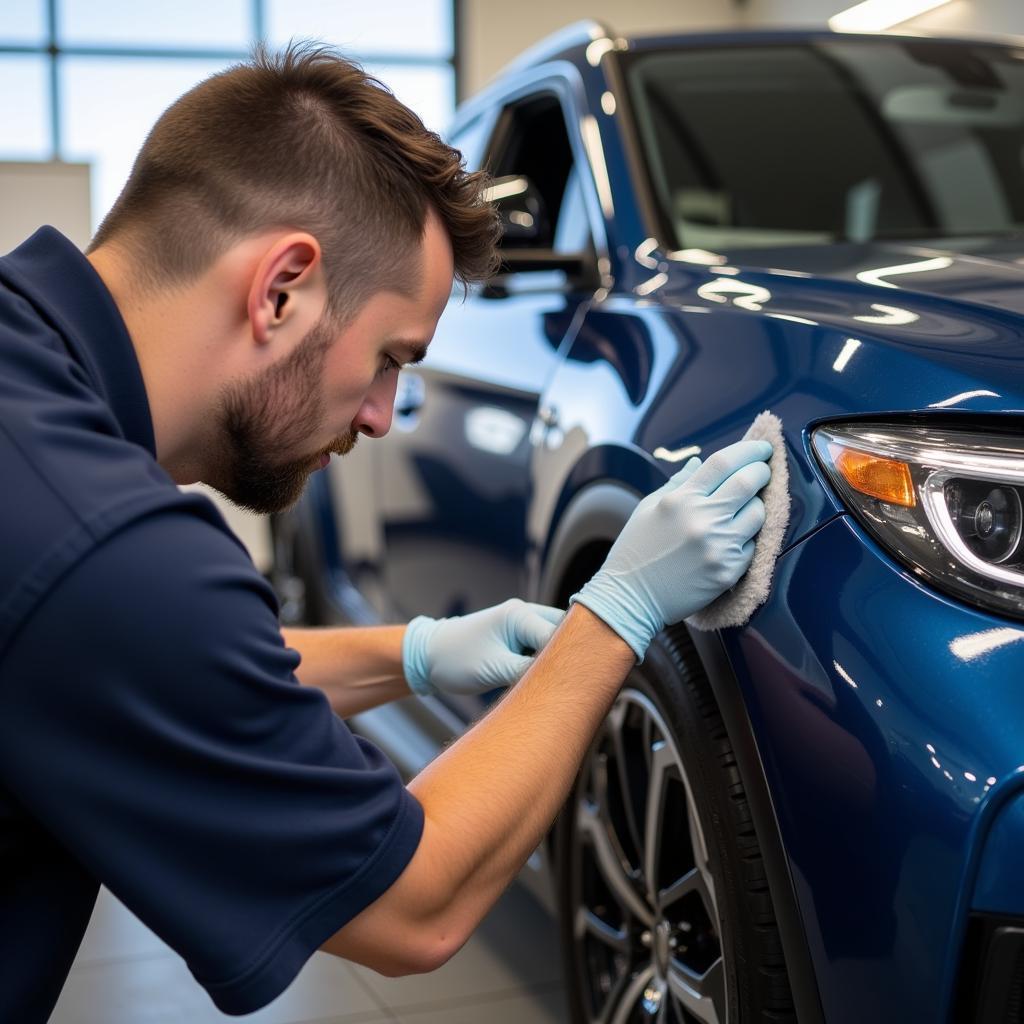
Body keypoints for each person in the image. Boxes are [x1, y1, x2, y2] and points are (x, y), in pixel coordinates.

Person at [0, 42, 771, 1020]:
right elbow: (415, 905)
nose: (381, 415)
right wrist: (611, 618)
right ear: (281, 288)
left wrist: (415, 653)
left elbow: (143, 664)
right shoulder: (104, 544)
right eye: (387, 358)